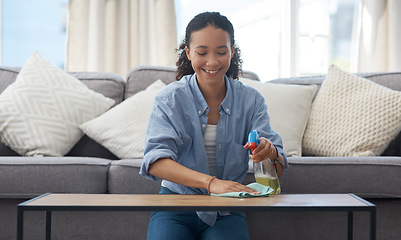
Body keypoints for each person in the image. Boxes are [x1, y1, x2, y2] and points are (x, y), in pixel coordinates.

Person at [140, 11, 288, 240]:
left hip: (227, 209)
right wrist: (212, 184)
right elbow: (156, 162)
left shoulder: (251, 101)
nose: (212, 61)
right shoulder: (170, 99)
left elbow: (276, 169)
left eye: (221, 52)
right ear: (188, 53)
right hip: (175, 203)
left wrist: (270, 153)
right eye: (201, 52)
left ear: (232, 52)